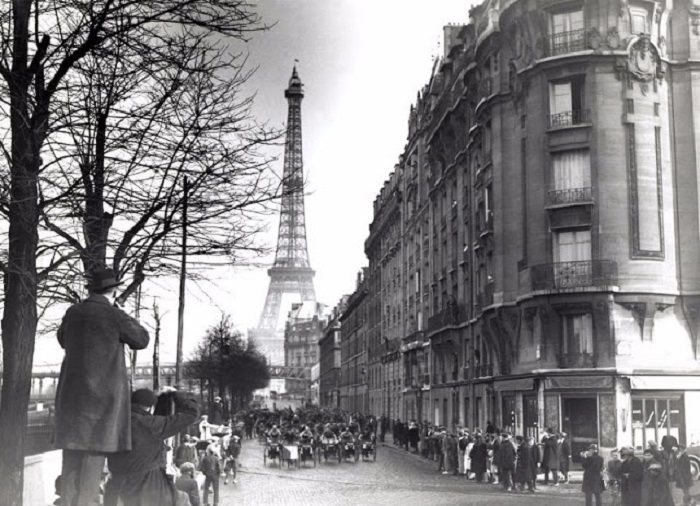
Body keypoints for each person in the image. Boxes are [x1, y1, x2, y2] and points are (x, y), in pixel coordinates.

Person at [55, 268, 150, 506]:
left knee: (71, 462)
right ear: (114, 290)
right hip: (102, 404)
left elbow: (62, 339)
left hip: (72, 401)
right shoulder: (114, 315)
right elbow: (141, 340)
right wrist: (123, 312)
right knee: (92, 465)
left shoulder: (73, 312)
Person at [105, 388, 199, 506]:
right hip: (147, 488)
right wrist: (176, 393)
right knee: (183, 499)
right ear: (150, 407)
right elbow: (191, 414)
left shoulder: (112, 423)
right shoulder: (152, 425)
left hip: (115, 488)